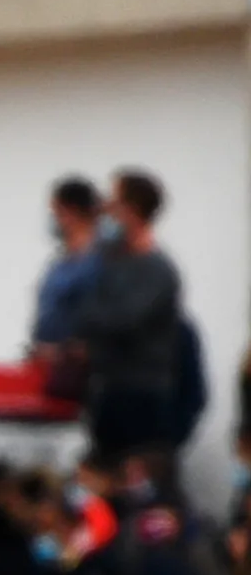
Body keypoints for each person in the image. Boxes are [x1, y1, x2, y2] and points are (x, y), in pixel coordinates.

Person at [76, 170, 186, 470]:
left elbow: (123, 320)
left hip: (142, 396)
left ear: (132, 209)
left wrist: (94, 318)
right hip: (108, 389)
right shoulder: (109, 263)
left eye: (114, 202)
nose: (106, 210)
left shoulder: (158, 270)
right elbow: (83, 309)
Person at [30, 177, 103, 411]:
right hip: (51, 374)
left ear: (69, 212)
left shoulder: (100, 262)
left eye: (55, 212)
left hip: (85, 377)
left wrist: (67, 351)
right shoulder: (60, 263)